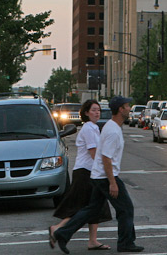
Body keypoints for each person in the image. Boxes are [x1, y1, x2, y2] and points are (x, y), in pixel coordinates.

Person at [50, 96, 143, 253]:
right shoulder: (113, 130)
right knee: (126, 208)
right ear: (120, 109)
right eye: (127, 106)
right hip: (105, 177)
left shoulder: (111, 127)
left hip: (98, 176)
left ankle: (62, 233)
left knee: (91, 210)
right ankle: (126, 243)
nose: (129, 108)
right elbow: (105, 157)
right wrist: (112, 182)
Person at [49, 100, 112, 250]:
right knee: (81, 207)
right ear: (86, 113)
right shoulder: (89, 129)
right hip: (85, 173)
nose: (97, 113)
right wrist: (108, 170)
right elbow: (94, 153)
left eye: (98, 110)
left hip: (91, 172)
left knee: (95, 206)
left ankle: (92, 241)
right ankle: (57, 229)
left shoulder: (94, 128)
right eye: (94, 110)